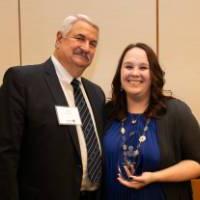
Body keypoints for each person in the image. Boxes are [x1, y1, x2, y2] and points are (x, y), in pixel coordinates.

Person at [0, 14, 105, 200]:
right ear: (59, 39)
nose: (86, 47)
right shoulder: (23, 82)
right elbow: (6, 154)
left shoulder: (96, 94)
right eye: (80, 38)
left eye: (93, 43)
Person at [103, 43, 200, 200]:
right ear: (120, 73)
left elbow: (197, 164)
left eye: (143, 68)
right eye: (128, 66)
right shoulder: (107, 112)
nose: (135, 73)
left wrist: (155, 177)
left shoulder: (176, 111)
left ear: (153, 74)